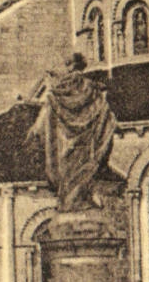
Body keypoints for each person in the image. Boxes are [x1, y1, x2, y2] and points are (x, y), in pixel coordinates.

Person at [30, 54, 116, 211]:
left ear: (68, 66)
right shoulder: (92, 89)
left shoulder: (57, 92)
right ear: (82, 66)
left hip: (65, 150)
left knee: (69, 178)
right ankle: (81, 199)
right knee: (83, 174)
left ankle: (71, 200)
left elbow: (41, 126)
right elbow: (105, 115)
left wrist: (36, 132)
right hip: (87, 148)